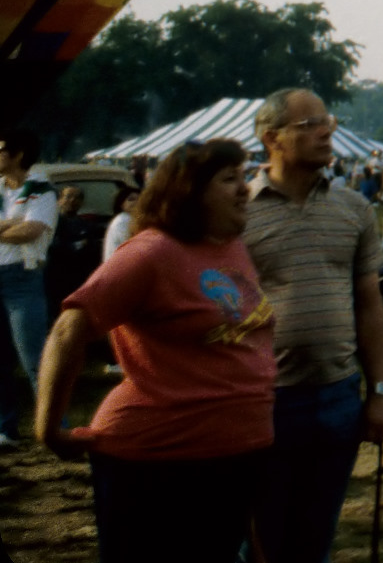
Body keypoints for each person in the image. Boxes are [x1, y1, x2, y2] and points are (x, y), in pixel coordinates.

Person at [35, 139, 276, 563]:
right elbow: (68, 328)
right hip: (158, 463)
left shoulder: (230, 246)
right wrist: (48, 427)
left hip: (236, 455)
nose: (245, 188)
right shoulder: (151, 253)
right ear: (191, 191)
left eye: (244, 177)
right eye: (229, 179)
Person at [243, 87, 383, 563]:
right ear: (272, 138)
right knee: (261, 537)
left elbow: (370, 304)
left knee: (314, 537)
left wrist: (379, 393)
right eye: (309, 124)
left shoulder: (354, 209)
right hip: (263, 400)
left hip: (337, 398)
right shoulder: (236, 213)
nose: (327, 131)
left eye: (328, 120)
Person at [1, 129, 59, 446]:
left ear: (18, 154)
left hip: (23, 277)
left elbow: (31, 231)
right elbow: (21, 227)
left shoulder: (41, 191)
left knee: (35, 358)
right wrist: (13, 224)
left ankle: (55, 429)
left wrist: (13, 227)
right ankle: (5, 428)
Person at [103, 183, 139, 260]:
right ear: (122, 204)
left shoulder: (132, 218)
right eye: (131, 199)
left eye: (139, 199)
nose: (136, 202)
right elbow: (131, 246)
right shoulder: (122, 221)